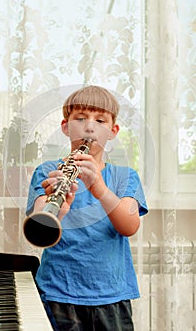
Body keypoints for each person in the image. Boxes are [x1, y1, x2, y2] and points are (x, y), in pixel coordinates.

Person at [26, 85, 148, 331]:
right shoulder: (47, 171)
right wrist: (58, 205)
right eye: (80, 119)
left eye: (100, 120)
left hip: (111, 296)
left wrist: (99, 188)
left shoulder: (125, 176)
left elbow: (129, 226)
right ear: (65, 127)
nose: (90, 126)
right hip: (57, 293)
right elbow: (40, 225)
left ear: (113, 131)